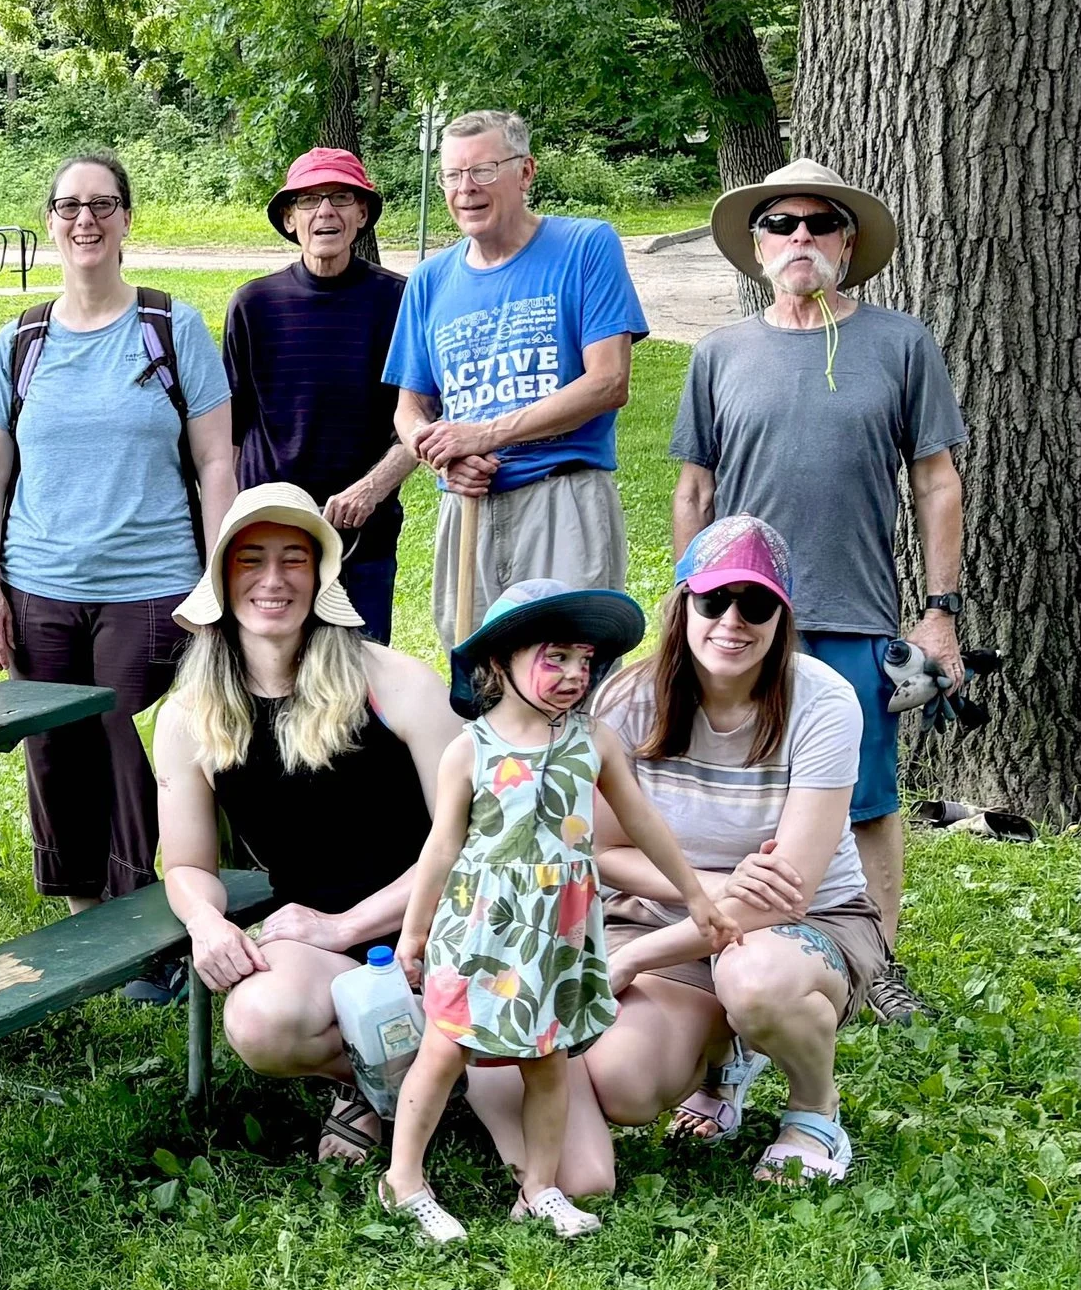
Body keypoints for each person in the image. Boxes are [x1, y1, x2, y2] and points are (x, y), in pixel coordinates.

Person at [677, 158, 968, 1023]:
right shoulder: (719, 353)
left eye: (819, 223)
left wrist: (941, 614)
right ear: (758, 246)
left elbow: (937, 482)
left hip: (854, 608)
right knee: (740, 786)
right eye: (780, 223)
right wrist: (689, 603)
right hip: (740, 618)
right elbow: (694, 491)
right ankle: (736, 946)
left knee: (867, 797)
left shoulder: (900, 343)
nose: (799, 236)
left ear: (846, 242)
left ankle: (877, 965)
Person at [379, 580, 734, 1245]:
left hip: (557, 934)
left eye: (584, 660)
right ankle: (404, 1180)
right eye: (555, 658)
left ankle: (540, 1187)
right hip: (479, 929)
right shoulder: (470, 750)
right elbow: (442, 847)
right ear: (501, 662)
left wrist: (692, 893)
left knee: (547, 1057)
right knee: (445, 1050)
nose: (574, 674)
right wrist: (415, 932)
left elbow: (641, 822)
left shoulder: (594, 741)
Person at [154, 485, 462, 1163]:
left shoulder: (395, 685)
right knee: (258, 1022)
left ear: (320, 577)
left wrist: (346, 925)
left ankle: (436, 1066)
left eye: (294, 559)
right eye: (251, 560)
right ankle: (387, 1078)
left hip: (439, 925)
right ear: (222, 578)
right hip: (318, 945)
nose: (273, 580)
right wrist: (206, 924)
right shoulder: (189, 716)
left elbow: (469, 844)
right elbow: (187, 866)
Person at [583, 516, 891, 1184]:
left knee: (754, 980)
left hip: (803, 924)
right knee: (624, 1088)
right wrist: (716, 888)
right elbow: (604, 852)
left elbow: (788, 892)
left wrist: (632, 957)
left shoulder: (824, 701)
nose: (732, 620)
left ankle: (815, 1111)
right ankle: (723, 1060)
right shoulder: (628, 699)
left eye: (756, 604)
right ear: (682, 603)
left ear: (782, 617)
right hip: (669, 915)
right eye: (714, 599)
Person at [0, 153, 236, 912]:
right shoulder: (20, 341)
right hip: (37, 586)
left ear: (126, 218)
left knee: (123, 741)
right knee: (52, 750)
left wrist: (219, 582)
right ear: (50, 221)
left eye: (102, 204)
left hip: (150, 587)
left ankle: (140, 913)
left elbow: (216, 461)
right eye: (69, 206)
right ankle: (80, 909)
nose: (85, 219)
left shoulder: (171, 327)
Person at [384, 110, 650, 649]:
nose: (466, 189)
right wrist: (440, 454)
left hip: (562, 498)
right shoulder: (430, 280)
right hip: (467, 506)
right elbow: (410, 408)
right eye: (452, 175)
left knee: (569, 668)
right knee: (477, 676)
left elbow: (608, 382)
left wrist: (482, 435)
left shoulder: (585, 246)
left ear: (526, 172)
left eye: (484, 170)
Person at [223, 148, 415, 641]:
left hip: (363, 533)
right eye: (309, 200)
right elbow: (228, 433)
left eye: (341, 198)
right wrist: (229, 523)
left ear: (362, 214)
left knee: (361, 672)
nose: (325, 211)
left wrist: (371, 490)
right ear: (290, 218)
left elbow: (422, 417)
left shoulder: (400, 301)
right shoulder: (254, 304)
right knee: (271, 671)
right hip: (270, 534)